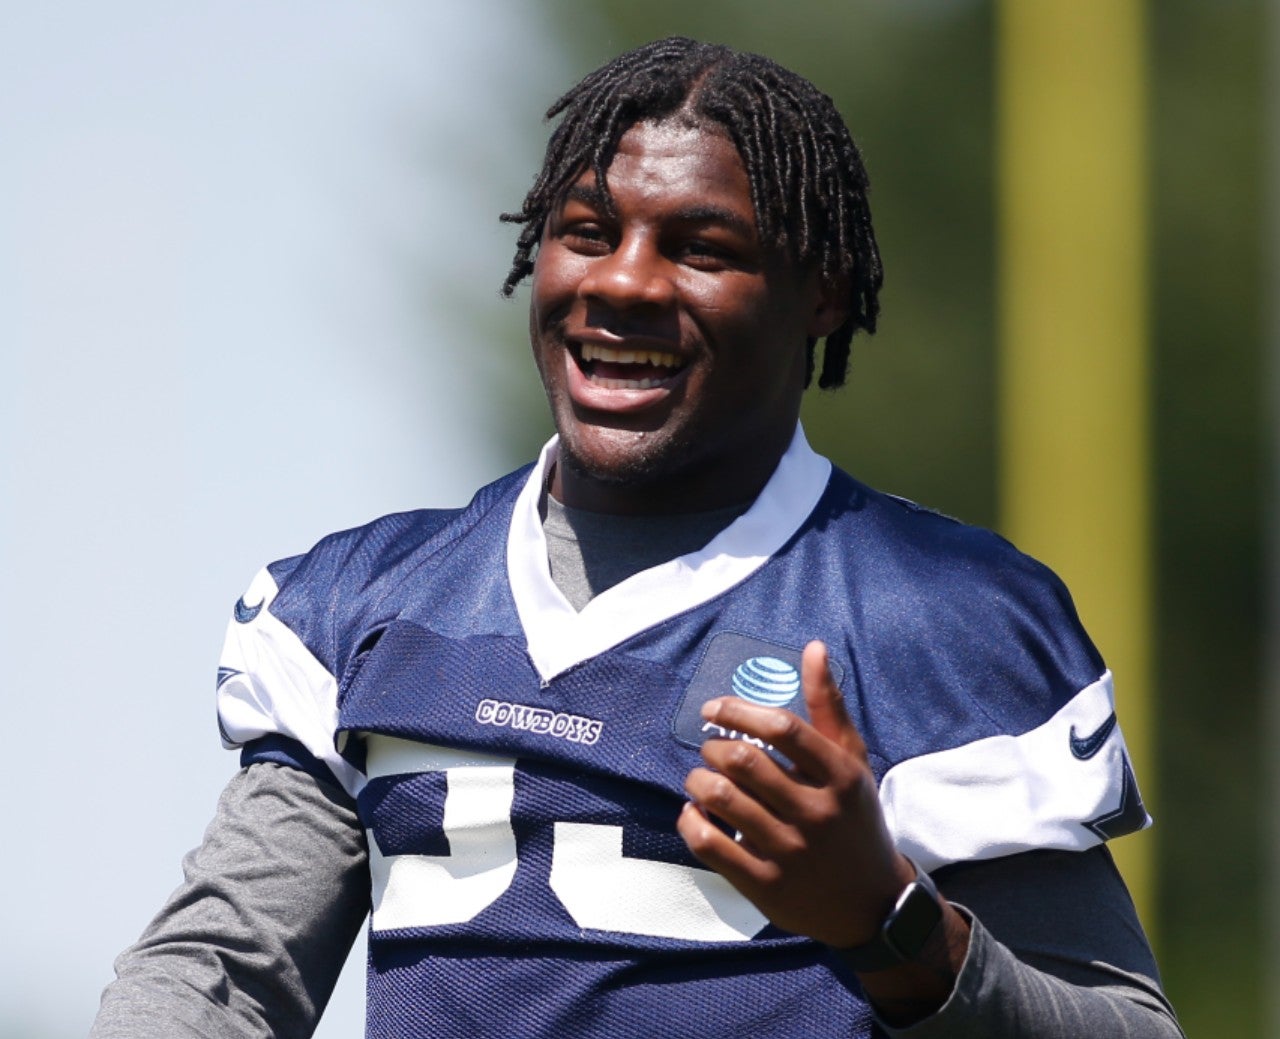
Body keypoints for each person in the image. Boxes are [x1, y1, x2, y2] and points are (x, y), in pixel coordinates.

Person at [91, 36, 1183, 1039]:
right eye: (587, 233)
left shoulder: (938, 617)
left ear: (821, 293)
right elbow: (216, 977)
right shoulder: (365, 605)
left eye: (699, 246)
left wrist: (890, 925)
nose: (622, 281)